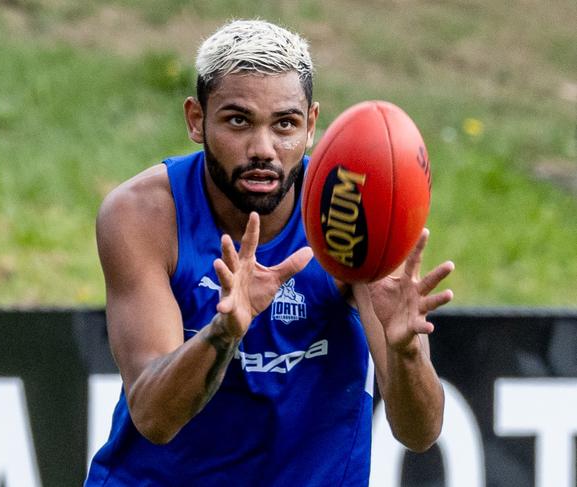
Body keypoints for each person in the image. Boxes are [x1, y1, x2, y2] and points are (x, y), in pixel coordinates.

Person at [85, 19, 454, 486]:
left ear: (312, 124)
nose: (263, 149)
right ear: (197, 120)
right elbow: (155, 419)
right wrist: (224, 332)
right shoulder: (143, 215)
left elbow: (419, 434)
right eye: (238, 120)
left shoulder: (356, 211)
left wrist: (405, 353)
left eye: (285, 124)